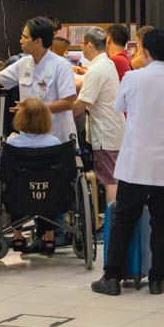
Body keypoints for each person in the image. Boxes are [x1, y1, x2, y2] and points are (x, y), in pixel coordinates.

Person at [92, 28, 164, 297]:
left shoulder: (133, 78)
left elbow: (119, 107)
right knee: (162, 221)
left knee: (124, 219)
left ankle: (112, 277)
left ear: (144, 51)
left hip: (136, 162)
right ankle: (158, 279)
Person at [0, 16, 78, 142]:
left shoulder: (61, 65)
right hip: (28, 138)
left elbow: (67, 103)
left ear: (38, 41)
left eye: (25, 37)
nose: (20, 41)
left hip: (58, 138)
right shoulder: (24, 63)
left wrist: (32, 110)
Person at [0, 98, 62, 251]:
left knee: (16, 187)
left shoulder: (13, 143)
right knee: (52, 190)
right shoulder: (55, 143)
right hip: (49, 195)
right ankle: (50, 236)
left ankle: (18, 235)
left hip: (19, 196)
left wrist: (10, 139)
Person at [74, 27, 125, 201]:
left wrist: (60, 115)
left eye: (82, 44)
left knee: (109, 179)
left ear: (89, 45)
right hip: (113, 130)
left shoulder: (97, 70)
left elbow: (83, 103)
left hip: (105, 134)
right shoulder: (106, 63)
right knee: (113, 176)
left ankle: (112, 223)